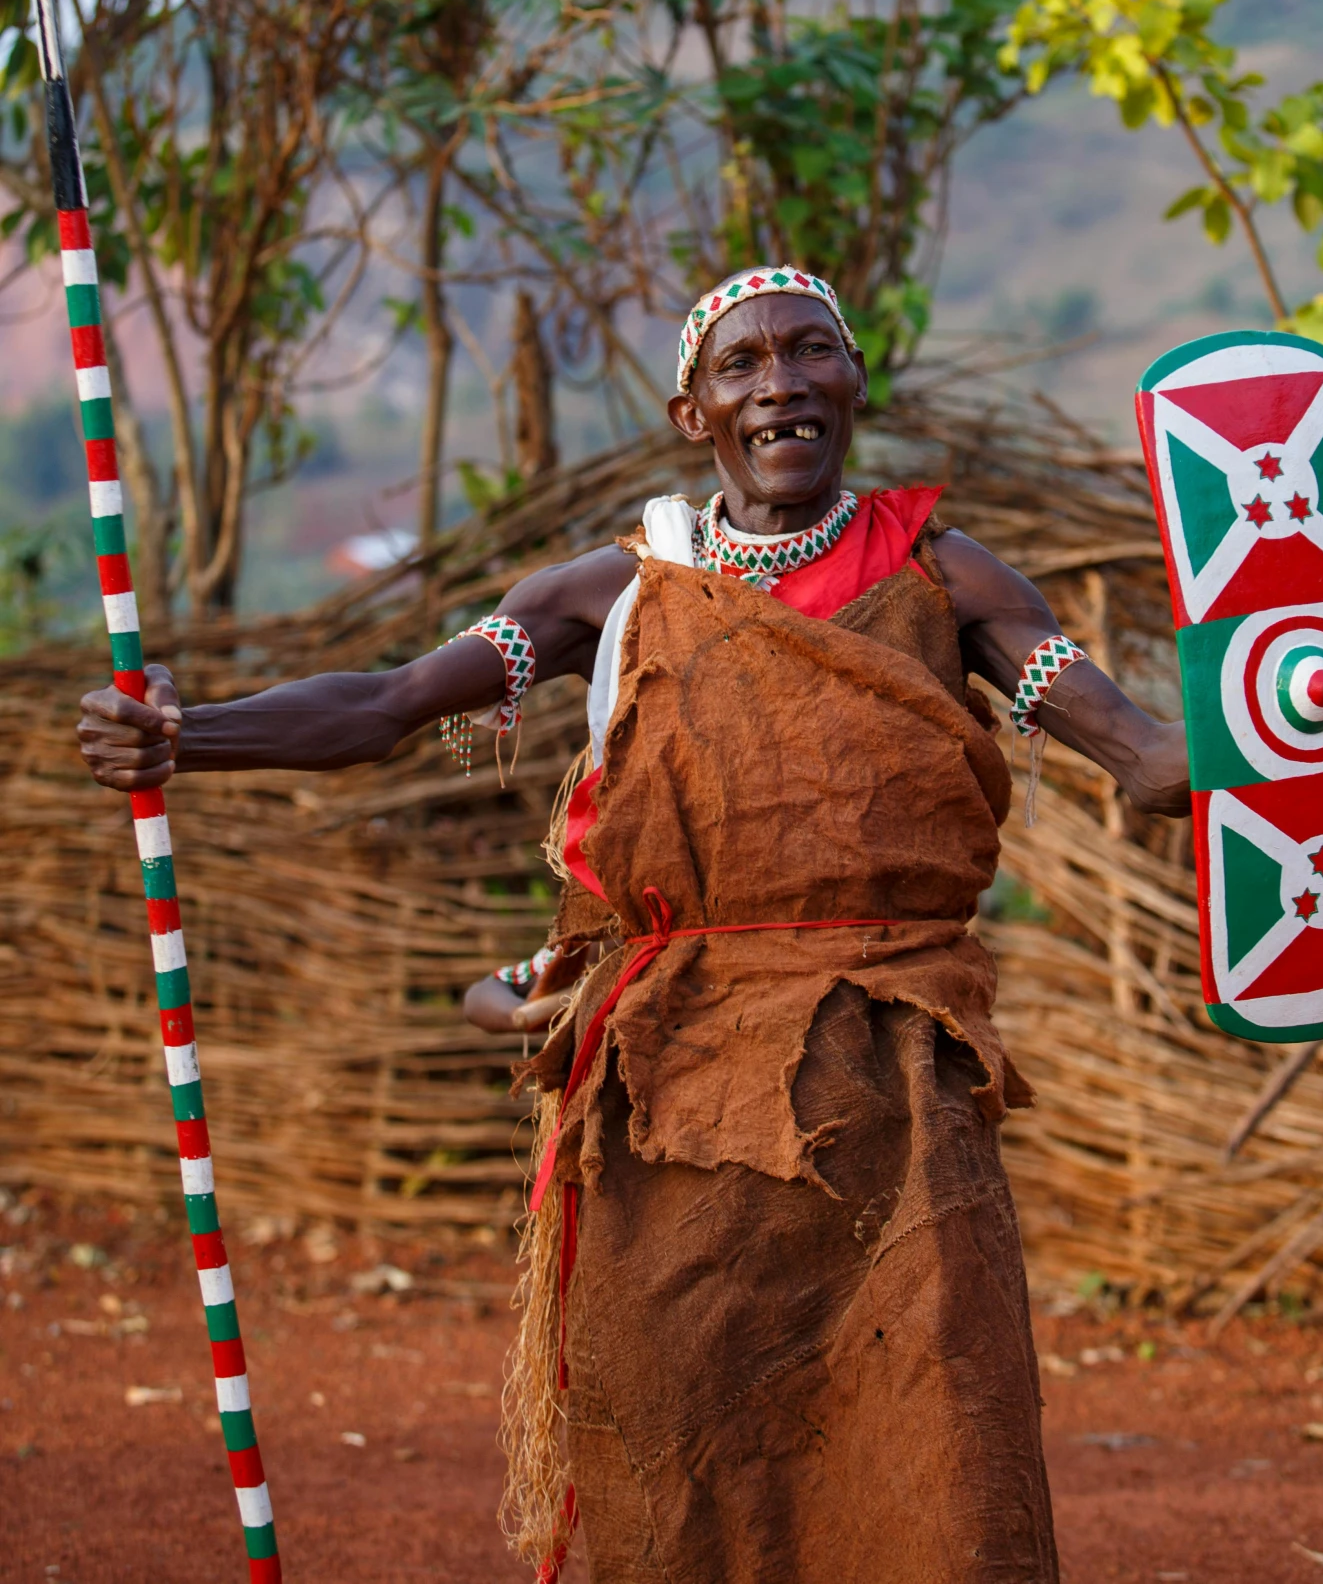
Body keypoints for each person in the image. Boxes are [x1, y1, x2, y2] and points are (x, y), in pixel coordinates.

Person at [78, 266, 1189, 1584]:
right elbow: (384, 706)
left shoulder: (946, 575)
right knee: (682, 1466)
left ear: (851, 383)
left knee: (937, 1453)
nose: (778, 379)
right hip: (672, 1100)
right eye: (742, 364)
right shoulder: (617, 589)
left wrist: (1281, 724)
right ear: (691, 411)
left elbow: (1140, 751)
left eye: (809, 352)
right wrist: (183, 737)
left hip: (896, 1088)